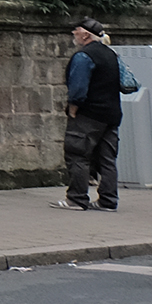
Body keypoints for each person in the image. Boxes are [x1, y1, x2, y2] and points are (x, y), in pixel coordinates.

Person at [59, 17, 124, 211]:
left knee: (77, 154)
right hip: (111, 115)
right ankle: (108, 201)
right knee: (107, 159)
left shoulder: (84, 56)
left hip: (88, 115)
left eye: (77, 30)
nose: (74, 33)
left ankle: (77, 199)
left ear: (86, 35)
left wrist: (73, 109)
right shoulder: (111, 54)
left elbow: (78, 88)